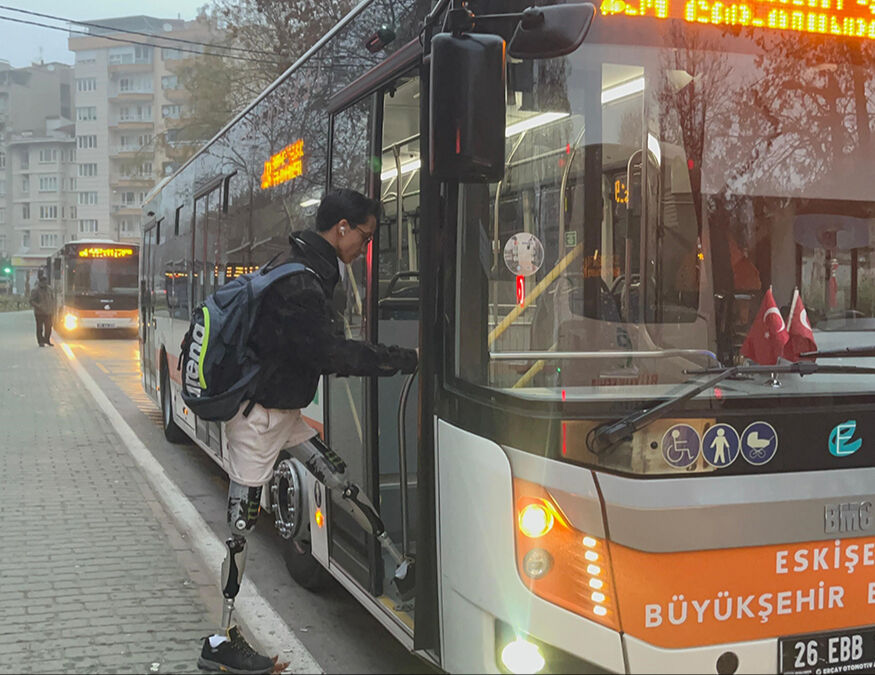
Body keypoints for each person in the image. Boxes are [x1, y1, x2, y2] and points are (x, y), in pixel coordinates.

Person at [198, 189, 418, 675]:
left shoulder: (302, 268)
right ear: (341, 228)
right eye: (365, 235)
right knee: (240, 525)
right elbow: (329, 353)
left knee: (335, 477)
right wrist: (401, 360)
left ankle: (397, 560)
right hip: (259, 420)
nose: (366, 246)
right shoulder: (301, 284)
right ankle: (221, 638)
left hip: (283, 410)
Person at [29, 273, 55, 347]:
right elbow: (31, 301)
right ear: (40, 282)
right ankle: (40, 341)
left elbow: (52, 298)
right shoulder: (35, 290)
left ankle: (47, 340)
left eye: (46, 282)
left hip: (49, 312)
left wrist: (52, 308)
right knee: (40, 328)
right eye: (44, 282)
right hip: (39, 313)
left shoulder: (49, 289)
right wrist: (39, 306)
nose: (45, 284)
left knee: (49, 327)